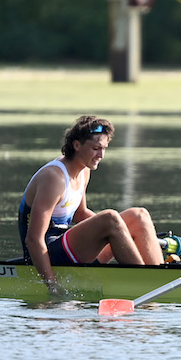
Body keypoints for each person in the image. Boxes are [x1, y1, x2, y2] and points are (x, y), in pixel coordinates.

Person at [18, 115, 163, 293]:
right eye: (96, 148)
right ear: (77, 145)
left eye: (104, 149)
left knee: (139, 215)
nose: (101, 155)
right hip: (46, 253)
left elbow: (80, 214)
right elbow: (33, 240)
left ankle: (160, 275)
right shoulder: (54, 178)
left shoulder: (84, 170)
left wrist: (121, 232)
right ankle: (147, 284)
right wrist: (52, 286)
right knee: (110, 218)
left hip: (67, 247)